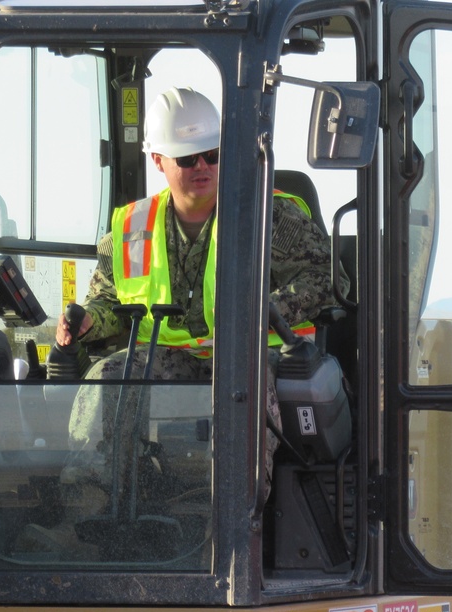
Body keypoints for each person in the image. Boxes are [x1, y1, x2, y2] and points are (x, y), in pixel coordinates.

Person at [56, 87, 344, 493]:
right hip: (174, 359)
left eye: (212, 154)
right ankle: (95, 503)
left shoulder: (268, 215)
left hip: (255, 356)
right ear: (158, 160)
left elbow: (329, 279)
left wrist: (266, 309)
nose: (203, 166)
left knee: (244, 381)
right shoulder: (132, 228)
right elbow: (106, 301)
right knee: (110, 375)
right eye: (188, 158)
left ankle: (237, 515)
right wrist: (87, 322)